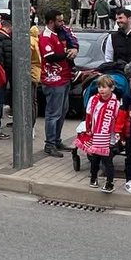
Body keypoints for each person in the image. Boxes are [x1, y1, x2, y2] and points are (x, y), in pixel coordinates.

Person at [38, 9, 74, 159]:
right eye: (59, 21)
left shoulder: (60, 33)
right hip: (53, 80)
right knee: (53, 114)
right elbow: (51, 57)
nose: (62, 23)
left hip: (64, 78)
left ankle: (57, 140)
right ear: (51, 21)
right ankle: (50, 144)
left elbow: (71, 41)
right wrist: (67, 54)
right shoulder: (46, 36)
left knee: (62, 111)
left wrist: (74, 50)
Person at [83, 74, 122, 193]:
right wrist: (88, 130)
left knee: (107, 161)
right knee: (94, 159)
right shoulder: (93, 100)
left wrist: (117, 133)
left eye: (104, 87)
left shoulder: (116, 103)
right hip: (95, 135)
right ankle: (93, 177)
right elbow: (89, 115)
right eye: (99, 87)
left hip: (108, 137)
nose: (101, 90)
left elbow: (118, 119)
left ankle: (109, 183)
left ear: (112, 88)